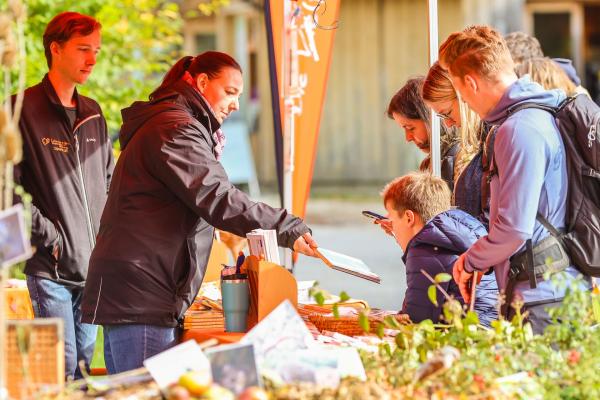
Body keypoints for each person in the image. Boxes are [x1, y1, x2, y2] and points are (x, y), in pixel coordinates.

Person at [81, 51, 318, 373]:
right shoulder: (174, 128)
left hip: (141, 285)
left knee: (132, 389)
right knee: (143, 392)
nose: (235, 103)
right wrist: (287, 227)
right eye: (230, 92)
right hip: (144, 291)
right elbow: (218, 196)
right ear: (202, 81)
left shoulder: (173, 122)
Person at [439, 25, 590, 334]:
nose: (464, 101)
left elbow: (513, 230)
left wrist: (470, 261)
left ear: (470, 82)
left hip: (542, 298)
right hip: (553, 290)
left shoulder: (519, 128)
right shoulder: (538, 113)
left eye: (460, 91)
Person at [14, 12, 113, 380]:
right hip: (50, 269)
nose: (92, 59)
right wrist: (50, 238)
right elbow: (8, 193)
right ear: (55, 49)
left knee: (85, 371)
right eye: (83, 49)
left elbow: (109, 185)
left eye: (96, 51)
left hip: (93, 270)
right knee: (60, 372)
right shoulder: (20, 110)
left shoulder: (93, 113)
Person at [382, 172, 498, 326]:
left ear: (409, 218)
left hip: (467, 337)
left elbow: (416, 321)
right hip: (493, 329)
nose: (393, 228)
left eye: (392, 219)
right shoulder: (463, 227)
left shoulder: (424, 248)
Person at [421, 62, 488, 225]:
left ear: (462, 96)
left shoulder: (491, 139)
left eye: (447, 113)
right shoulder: (477, 142)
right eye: (442, 118)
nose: (449, 124)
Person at [386, 77, 460, 191]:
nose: (408, 138)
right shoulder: (432, 161)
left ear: (431, 118)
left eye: (410, 128)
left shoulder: (458, 160)